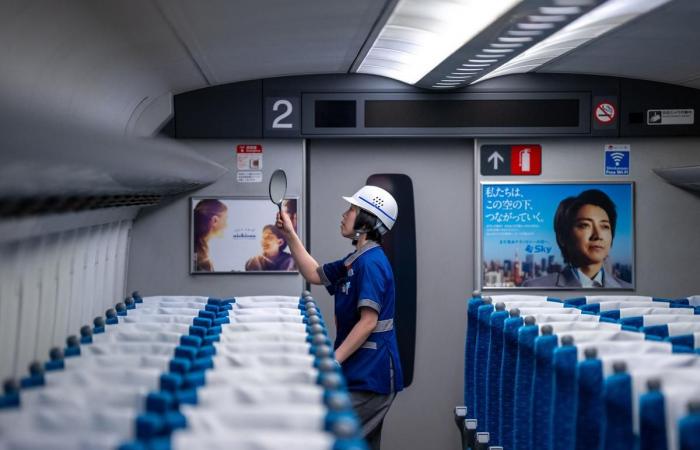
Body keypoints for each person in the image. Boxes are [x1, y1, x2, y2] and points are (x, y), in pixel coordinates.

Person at [275, 185, 403, 449]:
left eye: (352, 210)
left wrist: (332, 361)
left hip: (372, 375)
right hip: (360, 371)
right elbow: (315, 274)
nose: (344, 215)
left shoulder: (372, 264)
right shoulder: (355, 260)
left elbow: (368, 321)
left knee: (328, 438)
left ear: (367, 222)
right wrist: (290, 234)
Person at [523, 189, 631, 288]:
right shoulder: (536, 286)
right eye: (584, 225)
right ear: (563, 237)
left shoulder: (627, 289)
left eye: (605, 226)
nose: (597, 236)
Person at [193, 199, 228, 271]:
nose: (226, 225)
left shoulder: (195, 247)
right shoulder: (201, 260)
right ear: (215, 220)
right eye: (225, 219)